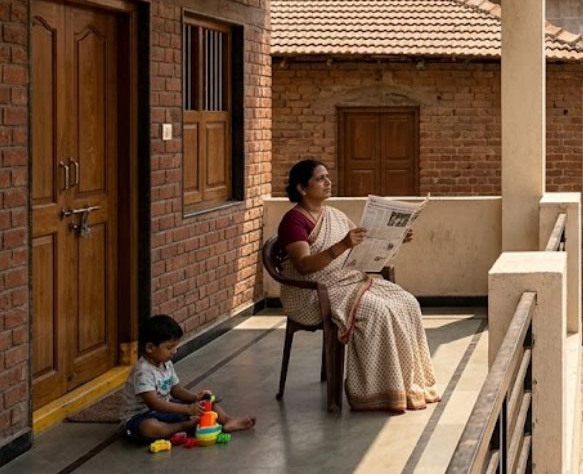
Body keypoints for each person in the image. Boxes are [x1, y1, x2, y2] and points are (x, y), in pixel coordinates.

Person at [278, 159, 441, 411]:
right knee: (378, 311)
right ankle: (379, 391)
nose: (328, 182)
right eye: (320, 178)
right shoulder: (293, 222)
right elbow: (304, 266)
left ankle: (408, 382)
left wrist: (397, 238)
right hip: (312, 292)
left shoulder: (334, 215)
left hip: (346, 280)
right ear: (302, 188)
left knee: (407, 302)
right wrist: (342, 245)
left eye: (327, 176)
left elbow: (363, 245)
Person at [120, 314, 255, 442]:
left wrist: (196, 398)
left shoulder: (166, 363)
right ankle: (184, 425)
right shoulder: (143, 371)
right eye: (169, 347)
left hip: (165, 409)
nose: (174, 351)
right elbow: (154, 403)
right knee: (150, 428)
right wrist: (187, 409)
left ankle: (227, 420)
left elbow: (176, 390)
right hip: (141, 416)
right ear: (150, 347)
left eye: (175, 346)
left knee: (205, 401)